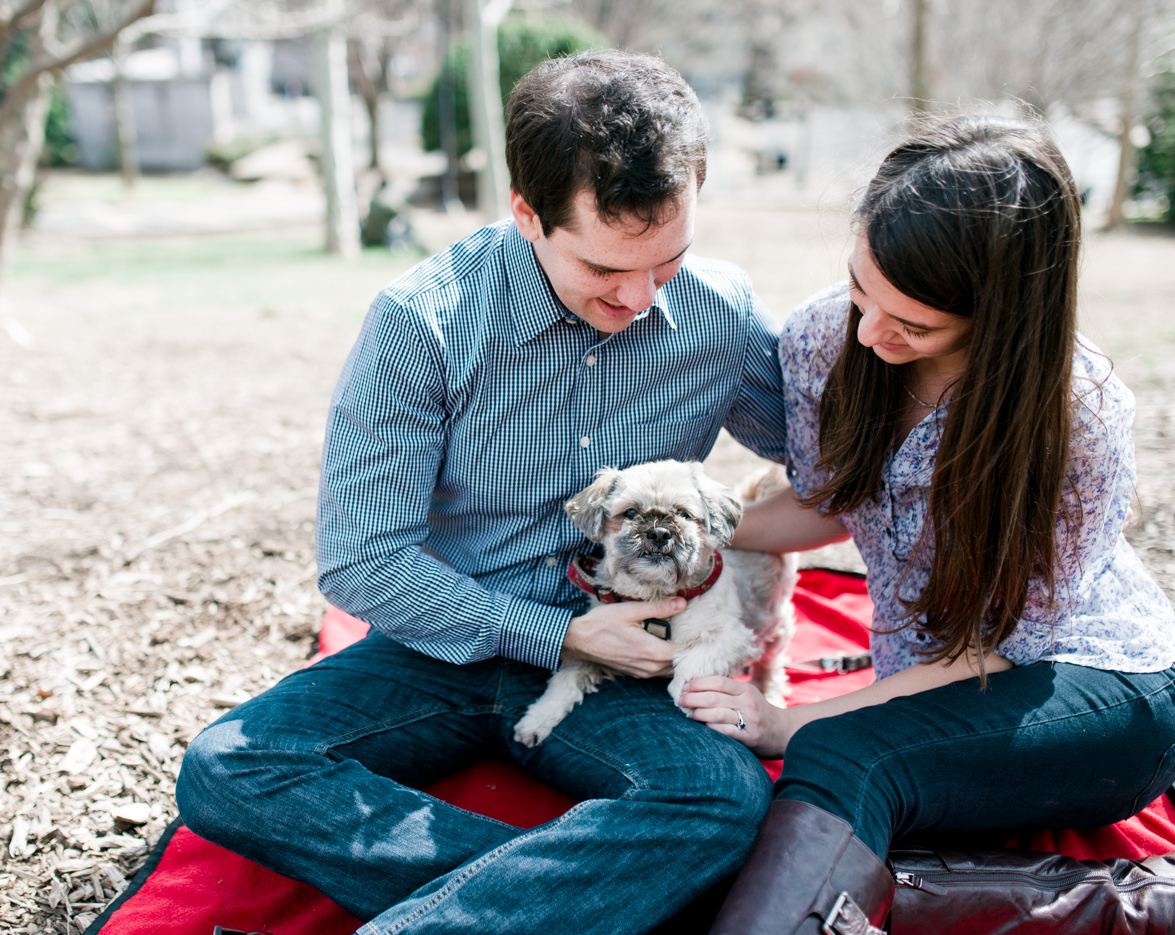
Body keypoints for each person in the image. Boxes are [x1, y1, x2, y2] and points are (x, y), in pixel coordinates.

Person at [176, 51, 789, 935]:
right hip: (443, 641)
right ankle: (569, 899)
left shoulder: (719, 313)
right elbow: (362, 562)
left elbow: (831, 459)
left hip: (633, 655)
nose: (645, 295)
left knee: (723, 796)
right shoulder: (421, 323)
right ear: (527, 212)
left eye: (669, 259)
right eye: (605, 269)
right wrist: (560, 630)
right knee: (229, 765)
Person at [682, 115, 1175, 934]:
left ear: (1002, 315)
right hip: (934, 679)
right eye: (859, 288)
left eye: (912, 324)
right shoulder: (820, 338)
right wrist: (699, 532)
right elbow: (829, 500)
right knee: (855, 761)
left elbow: (1000, 648)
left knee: (844, 754)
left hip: (1095, 683)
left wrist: (790, 720)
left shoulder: (1078, 415)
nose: (870, 332)